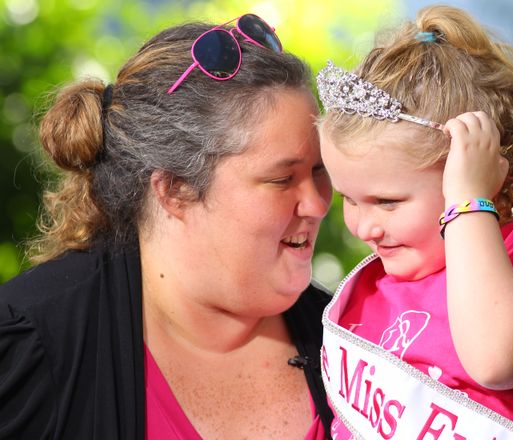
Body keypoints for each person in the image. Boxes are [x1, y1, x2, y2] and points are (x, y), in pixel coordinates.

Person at [0, 14, 335, 440]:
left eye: (321, 170)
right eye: (281, 179)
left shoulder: (356, 336)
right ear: (174, 189)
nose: (318, 202)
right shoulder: (32, 347)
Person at [315, 4, 513, 440]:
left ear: (477, 172)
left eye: (387, 202)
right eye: (348, 200)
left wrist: (467, 202)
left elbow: (497, 360)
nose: (363, 227)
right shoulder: (372, 287)